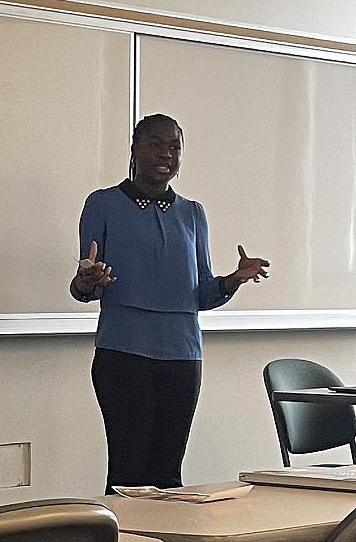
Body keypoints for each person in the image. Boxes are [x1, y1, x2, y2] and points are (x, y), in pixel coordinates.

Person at [70, 113, 269, 494]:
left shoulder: (192, 213)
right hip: (124, 353)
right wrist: (87, 280)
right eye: (156, 144)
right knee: (128, 473)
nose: (167, 154)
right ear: (135, 149)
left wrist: (233, 280)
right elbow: (86, 286)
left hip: (182, 356)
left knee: (168, 476)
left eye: (175, 147)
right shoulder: (103, 204)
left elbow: (203, 295)